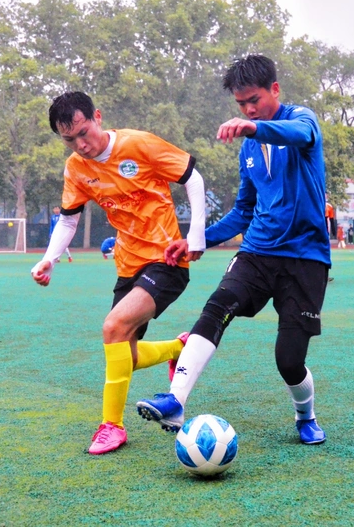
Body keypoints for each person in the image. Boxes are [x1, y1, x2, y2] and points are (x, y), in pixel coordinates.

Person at [136, 54, 331, 445]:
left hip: (306, 258)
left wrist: (254, 127)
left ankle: (305, 415)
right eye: (241, 104)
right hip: (257, 252)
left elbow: (299, 134)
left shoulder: (301, 119)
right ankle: (175, 400)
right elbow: (243, 212)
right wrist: (196, 240)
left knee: (289, 360)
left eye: (254, 100)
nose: (248, 109)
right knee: (218, 304)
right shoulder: (248, 151)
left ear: (275, 89)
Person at [31, 91, 208, 454]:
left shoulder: (138, 144)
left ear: (97, 117)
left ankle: (112, 426)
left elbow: (193, 178)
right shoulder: (76, 169)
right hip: (127, 264)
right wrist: (50, 258)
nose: (81, 145)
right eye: (69, 140)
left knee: (112, 326)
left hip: (167, 259)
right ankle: (179, 348)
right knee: (126, 353)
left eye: (84, 132)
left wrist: (196, 235)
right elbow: (69, 219)